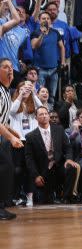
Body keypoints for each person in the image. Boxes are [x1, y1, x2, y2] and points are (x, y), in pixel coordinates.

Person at [0, 58, 24, 220]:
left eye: (11, 67)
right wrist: (10, 137)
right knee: (6, 167)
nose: (10, 70)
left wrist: (12, 130)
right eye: (5, 67)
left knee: (6, 168)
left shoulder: (7, 92)